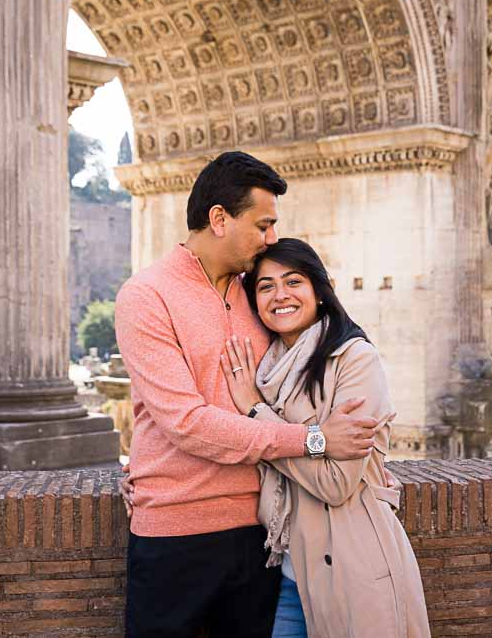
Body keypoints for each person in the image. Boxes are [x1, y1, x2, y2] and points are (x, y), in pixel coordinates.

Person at [114, 152, 380, 638]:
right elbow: (186, 422)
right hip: (176, 533)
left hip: (263, 535)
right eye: (263, 224)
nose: (271, 238)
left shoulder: (259, 293)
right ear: (219, 219)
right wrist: (314, 440)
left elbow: (310, 372)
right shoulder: (145, 296)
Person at [219, 238, 431, 638]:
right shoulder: (266, 369)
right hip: (287, 573)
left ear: (319, 289)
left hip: (352, 567)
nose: (280, 295)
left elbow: (336, 484)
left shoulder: (354, 360)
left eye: (293, 281)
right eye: (265, 286)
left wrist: (255, 413)